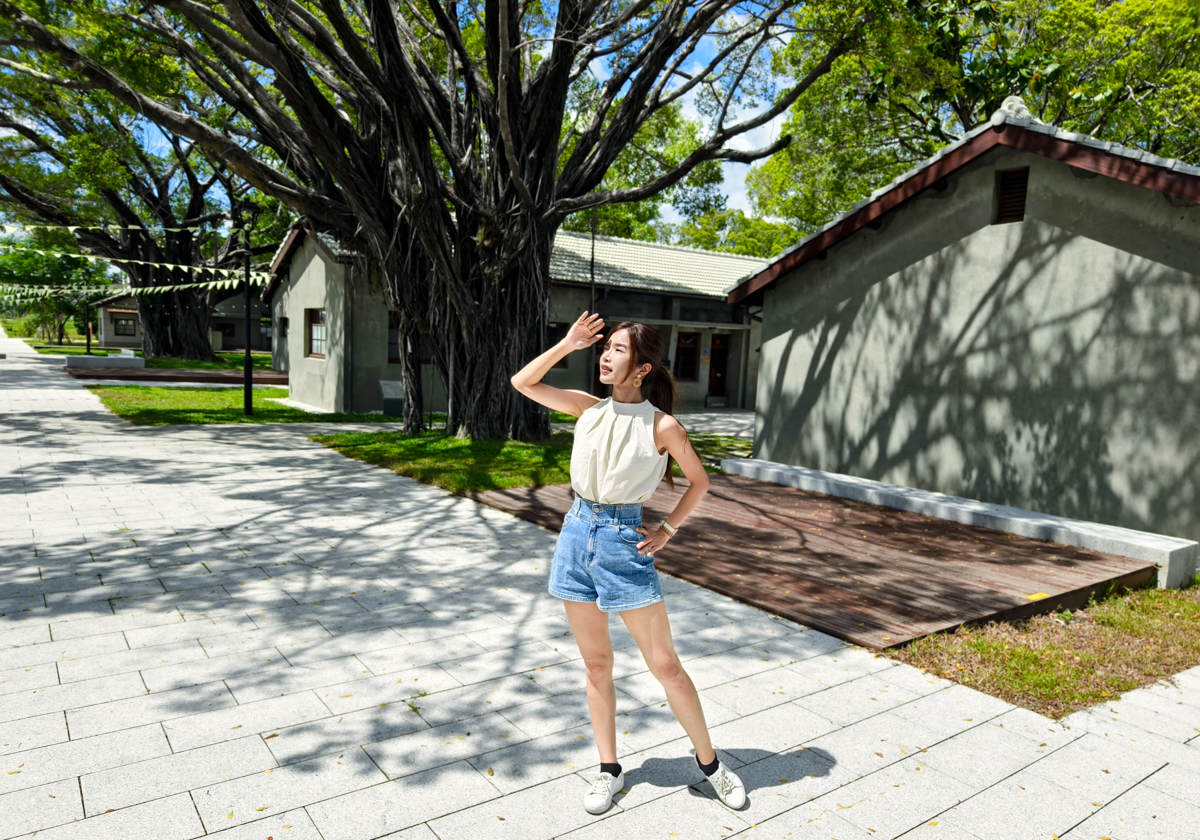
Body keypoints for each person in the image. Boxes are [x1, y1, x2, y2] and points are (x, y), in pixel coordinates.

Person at [510, 311, 747, 815]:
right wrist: (568, 344)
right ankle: (608, 771)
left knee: (665, 665)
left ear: (642, 369)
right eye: (606, 347)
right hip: (575, 534)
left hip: (623, 540)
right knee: (596, 664)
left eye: (618, 350)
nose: (606, 355)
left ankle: (712, 767)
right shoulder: (587, 408)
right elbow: (521, 381)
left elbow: (699, 483)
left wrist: (667, 529)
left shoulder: (661, 425)